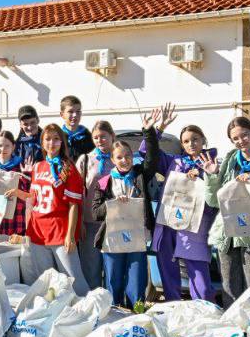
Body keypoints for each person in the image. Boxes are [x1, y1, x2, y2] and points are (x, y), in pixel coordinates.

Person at [139, 103, 216, 301]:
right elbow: (147, 154)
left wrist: (203, 174)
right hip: (168, 222)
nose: (191, 144)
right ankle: (173, 310)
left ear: (203, 140)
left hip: (194, 226)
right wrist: (158, 129)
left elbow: (216, 190)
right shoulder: (174, 162)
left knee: (200, 277)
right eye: (186, 141)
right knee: (167, 271)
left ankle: (205, 309)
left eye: (195, 139)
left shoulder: (213, 162)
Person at [8, 124, 89, 297]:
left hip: (60, 231)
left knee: (73, 280)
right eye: (48, 138)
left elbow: (74, 204)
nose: (51, 142)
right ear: (42, 142)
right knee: (47, 282)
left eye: (56, 138)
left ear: (62, 142)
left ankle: (89, 313)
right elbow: (35, 197)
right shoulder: (38, 166)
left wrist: (70, 235)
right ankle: (55, 316)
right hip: (38, 232)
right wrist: (18, 193)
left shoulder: (69, 168)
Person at [206, 115, 250, 306]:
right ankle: (233, 327)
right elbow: (214, 201)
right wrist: (212, 176)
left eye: (244, 135)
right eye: (235, 138)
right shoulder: (230, 160)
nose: (240, 141)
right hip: (227, 234)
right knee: (229, 287)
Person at [90, 138, 155, 307]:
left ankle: (136, 313)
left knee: (136, 279)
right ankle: (114, 312)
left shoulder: (140, 175)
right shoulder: (104, 183)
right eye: (119, 157)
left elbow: (152, 158)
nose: (124, 160)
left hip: (137, 237)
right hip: (112, 239)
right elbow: (96, 213)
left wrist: (152, 132)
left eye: (127, 156)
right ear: (112, 160)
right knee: (114, 279)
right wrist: (112, 204)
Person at [75, 119, 115, 291]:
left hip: (115, 222)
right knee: (91, 268)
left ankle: (115, 303)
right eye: (96, 137)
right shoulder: (85, 160)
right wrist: (79, 223)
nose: (100, 141)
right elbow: (76, 192)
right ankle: (93, 303)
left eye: (104, 137)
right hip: (90, 222)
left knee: (113, 268)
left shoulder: (119, 158)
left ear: (112, 136)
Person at [0, 131, 30, 243]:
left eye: (7, 145)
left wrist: (27, 177)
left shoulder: (22, 167)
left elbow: (31, 195)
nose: (3, 149)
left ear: (13, 147)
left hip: (16, 217)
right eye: (0, 145)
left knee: (16, 251)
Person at [59, 95, 94, 161]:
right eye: (70, 112)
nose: (75, 115)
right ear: (62, 114)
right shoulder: (58, 138)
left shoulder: (89, 138)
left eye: (78, 111)